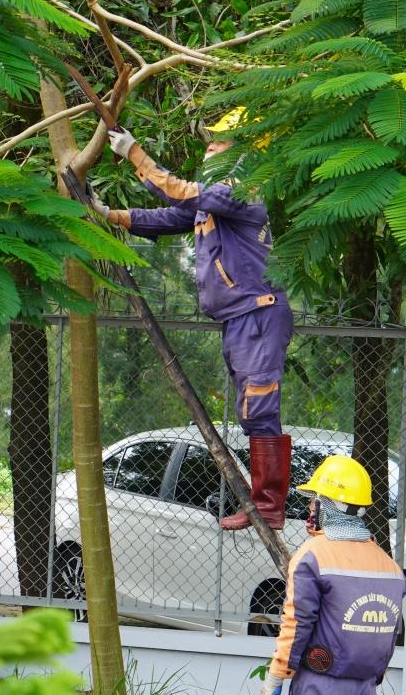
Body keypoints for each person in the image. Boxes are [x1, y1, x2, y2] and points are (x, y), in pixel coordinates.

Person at [81, 109, 294, 531]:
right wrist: (111, 215)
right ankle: (264, 501)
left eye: (218, 142)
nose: (209, 147)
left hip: (259, 314)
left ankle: (269, 504)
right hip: (239, 319)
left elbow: (181, 193)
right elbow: (171, 215)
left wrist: (136, 155)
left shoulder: (241, 189)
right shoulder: (212, 201)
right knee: (250, 409)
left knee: (258, 407)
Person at [253, 455, 405, 695]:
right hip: (363, 691)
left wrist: (276, 676)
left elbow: (296, 623)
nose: (309, 509)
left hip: (320, 686)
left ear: (331, 505)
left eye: (314, 500)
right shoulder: (388, 566)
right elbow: (388, 634)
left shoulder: (313, 556)